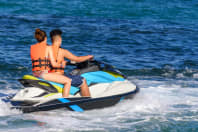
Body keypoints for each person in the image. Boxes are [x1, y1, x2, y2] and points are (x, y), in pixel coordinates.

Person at [48, 29, 93, 97]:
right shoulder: (62, 51)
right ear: (60, 39)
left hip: (49, 75)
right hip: (59, 76)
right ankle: (87, 101)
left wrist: (64, 63)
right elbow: (77, 59)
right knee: (83, 80)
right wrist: (89, 56)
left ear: (51, 40)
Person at [31, 28, 72, 98]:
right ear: (46, 38)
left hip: (35, 73)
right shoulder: (48, 48)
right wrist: (63, 64)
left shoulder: (32, 47)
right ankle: (66, 101)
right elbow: (54, 64)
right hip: (43, 74)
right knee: (68, 81)